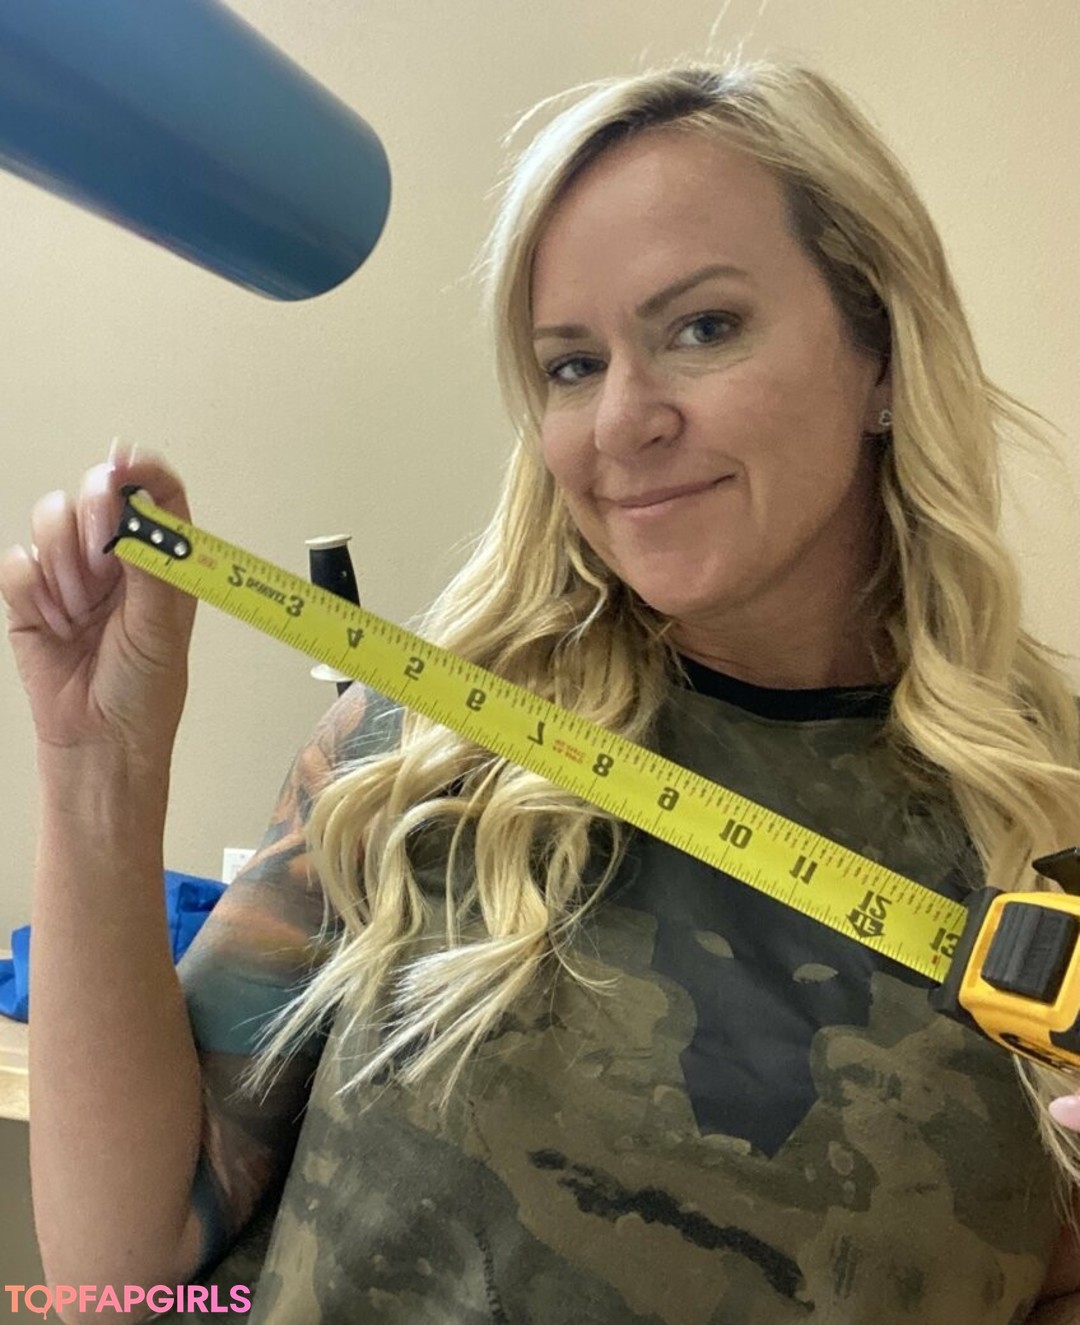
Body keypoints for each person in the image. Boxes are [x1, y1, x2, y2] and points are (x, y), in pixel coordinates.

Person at [3, 57, 1080, 1325]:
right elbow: (116, 1268)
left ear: (881, 352)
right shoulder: (425, 739)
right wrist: (97, 768)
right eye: (570, 364)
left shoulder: (1043, 830)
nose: (621, 420)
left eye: (703, 327)